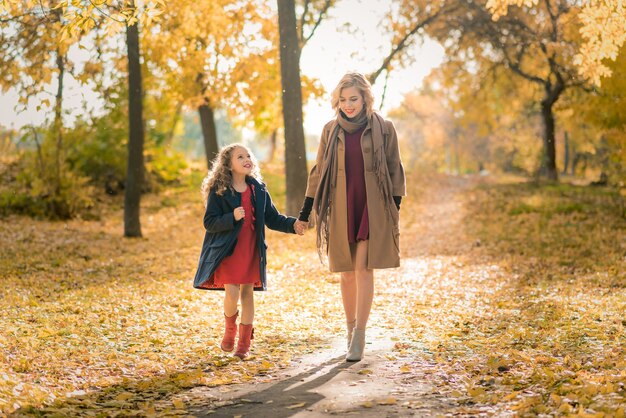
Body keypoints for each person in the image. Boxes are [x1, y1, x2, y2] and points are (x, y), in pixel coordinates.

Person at [298, 72, 406, 362]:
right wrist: (305, 212)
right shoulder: (330, 130)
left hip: (373, 206)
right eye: (343, 99)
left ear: (365, 98)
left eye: (353, 99)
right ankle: (348, 331)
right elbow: (318, 172)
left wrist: (393, 210)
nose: (348, 105)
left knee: (363, 269)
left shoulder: (384, 128)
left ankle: (360, 335)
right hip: (341, 205)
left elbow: (395, 168)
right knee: (346, 274)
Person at [193, 143, 308, 359]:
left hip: (252, 249)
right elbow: (209, 222)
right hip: (229, 251)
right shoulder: (220, 192)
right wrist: (231, 217)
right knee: (232, 292)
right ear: (228, 164)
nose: (247, 159)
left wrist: (294, 225)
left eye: (248, 155)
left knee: (247, 293)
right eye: (240, 157)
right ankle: (230, 330)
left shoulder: (259, 189)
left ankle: (244, 344)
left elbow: (273, 218)